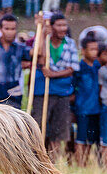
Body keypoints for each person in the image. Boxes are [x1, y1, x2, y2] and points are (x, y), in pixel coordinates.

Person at [30, 14, 78, 161]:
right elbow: (38, 58)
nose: (63, 28)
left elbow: (73, 68)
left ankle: (53, 163)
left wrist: (53, 74)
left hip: (62, 93)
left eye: (64, 25)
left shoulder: (70, 43)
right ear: (51, 26)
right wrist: (43, 34)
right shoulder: (41, 41)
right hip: (42, 91)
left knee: (58, 131)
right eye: (59, 25)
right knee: (38, 128)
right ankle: (36, 161)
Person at [70, 34, 100, 165]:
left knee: (91, 138)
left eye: (96, 49)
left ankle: (86, 162)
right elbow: (73, 86)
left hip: (96, 108)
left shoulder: (98, 65)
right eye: (91, 49)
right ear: (83, 51)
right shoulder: (79, 67)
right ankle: (80, 163)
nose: (95, 52)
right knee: (81, 137)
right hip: (83, 108)